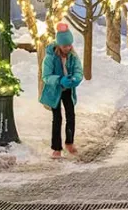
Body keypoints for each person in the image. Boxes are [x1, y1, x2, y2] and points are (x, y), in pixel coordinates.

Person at [40, 22, 84, 159]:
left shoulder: (73, 56)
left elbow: (78, 70)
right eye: (65, 46)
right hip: (55, 91)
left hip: (68, 90)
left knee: (71, 115)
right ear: (59, 45)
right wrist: (59, 80)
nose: (68, 48)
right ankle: (56, 147)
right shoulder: (50, 58)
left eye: (70, 45)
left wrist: (76, 78)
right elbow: (46, 77)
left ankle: (69, 142)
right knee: (57, 118)